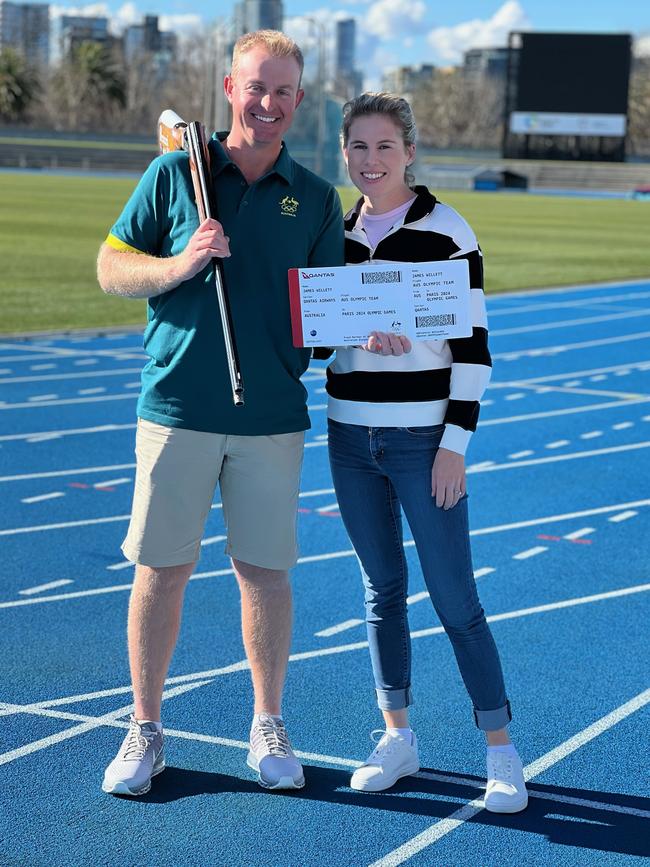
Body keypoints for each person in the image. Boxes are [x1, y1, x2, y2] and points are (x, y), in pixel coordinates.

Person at [96, 30, 344, 796]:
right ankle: (145, 728)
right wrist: (182, 263)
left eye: (281, 91)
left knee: (265, 575)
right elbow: (110, 267)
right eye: (253, 87)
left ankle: (267, 724)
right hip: (176, 406)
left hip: (271, 415)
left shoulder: (318, 198)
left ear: (297, 102)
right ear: (230, 90)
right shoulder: (175, 175)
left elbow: (328, 320)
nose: (266, 104)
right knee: (160, 571)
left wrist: (369, 327)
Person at [321, 93, 527, 812]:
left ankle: (500, 748)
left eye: (384, 146)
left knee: (455, 599)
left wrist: (454, 447)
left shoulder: (448, 231)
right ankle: (398, 735)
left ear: (408, 151)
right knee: (381, 592)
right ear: (343, 153)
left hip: (422, 445)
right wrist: (356, 334)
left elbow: (473, 351)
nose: (370, 161)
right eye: (358, 147)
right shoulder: (333, 232)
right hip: (348, 439)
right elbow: (317, 337)